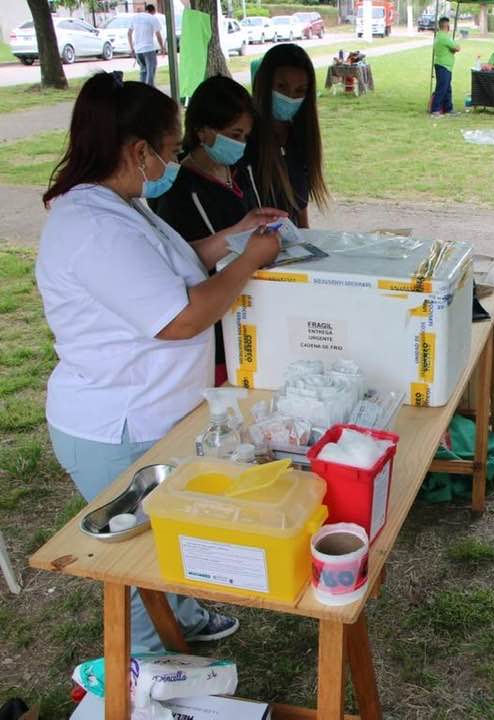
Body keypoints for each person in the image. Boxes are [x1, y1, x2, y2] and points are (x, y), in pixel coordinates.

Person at [36, 72, 283, 654]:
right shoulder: (94, 227)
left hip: (151, 411)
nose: (173, 162)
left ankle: (184, 617)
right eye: (171, 151)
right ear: (138, 151)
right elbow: (181, 318)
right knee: (137, 559)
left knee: (166, 531)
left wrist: (235, 236)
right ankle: (150, 672)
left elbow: (172, 266)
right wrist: (248, 263)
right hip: (117, 423)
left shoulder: (121, 206)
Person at [152, 75, 285, 385]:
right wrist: (246, 250)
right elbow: (185, 264)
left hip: (254, 307)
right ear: (203, 131)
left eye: (245, 136)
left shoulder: (241, 172)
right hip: (215, 324)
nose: (240, 144)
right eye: (233, 134)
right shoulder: (177, 189)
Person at [246, 43, 331, 228]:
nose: (290, 97)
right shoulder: (244, 138)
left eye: (300, 91)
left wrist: (305, 235)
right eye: (281, 87)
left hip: (288, 240)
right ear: (264, 84)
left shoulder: (300, 137)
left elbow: (300, 205)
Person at [128, 4, 165, 87]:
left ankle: (142, 89)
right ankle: (149, 89)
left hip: (138, 50)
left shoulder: (135, 18)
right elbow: (158, 35)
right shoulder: (152, 18)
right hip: (149, 49)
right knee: (150, 71)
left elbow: (129, 33)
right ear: (153, 11)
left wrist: (132, 48)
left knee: (143, 71)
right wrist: (162, 47)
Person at [430, 17, 460, 116]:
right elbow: (457, 48)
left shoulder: (439, 36)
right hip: (443, 65)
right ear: (446, 25)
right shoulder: (444, 37)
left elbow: (452, 48)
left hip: (444, 65)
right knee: (442, 88)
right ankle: (435, 109)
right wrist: (454, 48)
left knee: (447, 88)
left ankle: (448, 108)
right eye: (449, 24)